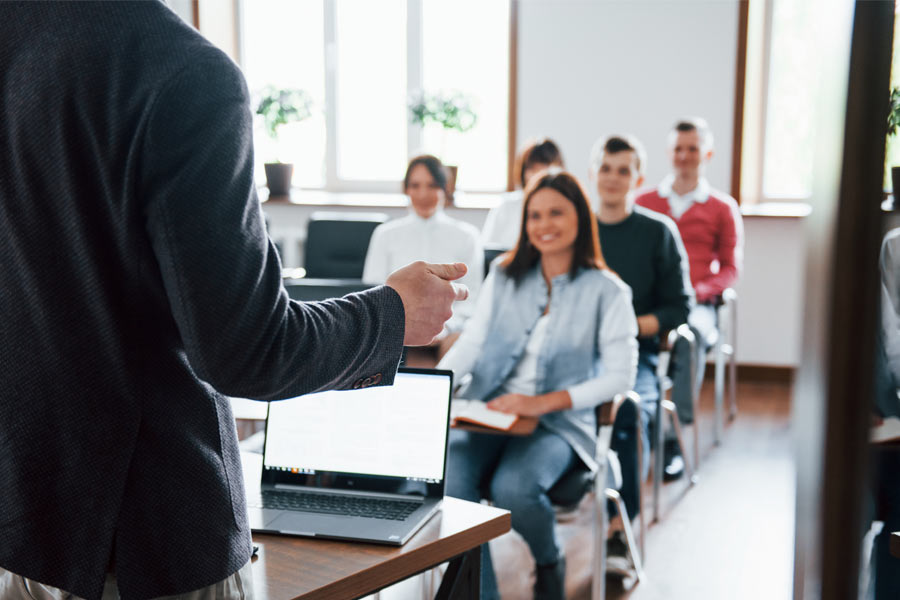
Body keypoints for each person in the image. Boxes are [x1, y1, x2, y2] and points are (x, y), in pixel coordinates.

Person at [0, 4, 467, 600]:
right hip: (147, 539)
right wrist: (391, 313)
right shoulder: (180, 72)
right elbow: (249, 351)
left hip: (24, 518)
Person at [438, 169, 637, 600]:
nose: (544, 225)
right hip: (490, 411)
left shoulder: (609, 291)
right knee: (452, 481)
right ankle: (481, 594)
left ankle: (549, 559)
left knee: (515, 487)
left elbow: (620, 376)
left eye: (556, 214)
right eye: (535, 216)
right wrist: (438, 390)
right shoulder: (505, 274)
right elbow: (472, 342)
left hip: (560, 422)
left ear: (581, 219)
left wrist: (542, 402)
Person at [589, 135, 693, 571]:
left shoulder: (658, 232)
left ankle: (619, 527)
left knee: (628, 412)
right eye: (606, 168)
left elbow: (678, 308)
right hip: (574, 356)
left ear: (639, 178)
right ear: (594, 173)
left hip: (636, 355)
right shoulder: (575, 230)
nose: (613, 178)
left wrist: (624, 327)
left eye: (623, 170)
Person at [635, 117, 743, 479]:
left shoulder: (722, 207)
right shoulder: (644, 201)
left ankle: (671, 435)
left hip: (697, 303)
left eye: (692, 149)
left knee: (689, 337)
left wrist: (701, 291)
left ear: (706, 153)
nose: (684, 156)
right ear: (669, 153)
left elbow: (730, 268)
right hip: (650, 302)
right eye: (678, 148)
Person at [363, 155, 483, 340]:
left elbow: (472, 298)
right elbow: (373, 291)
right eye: (415, 185)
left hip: (448, 332)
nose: (423, 194)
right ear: (406, 189)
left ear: (445, 188)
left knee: (460, 341)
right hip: (396, 332)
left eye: (432, 185)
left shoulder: (467, 236)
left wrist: (444, 329)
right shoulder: (385, 234)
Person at [481, 138, 565, 249]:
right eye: (532, 168)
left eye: (544, 166)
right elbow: (488, 250)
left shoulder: (567, 206)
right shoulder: (506, 206)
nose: (538, 174)